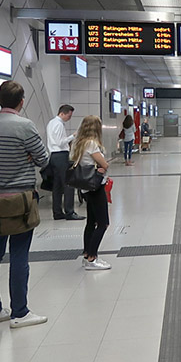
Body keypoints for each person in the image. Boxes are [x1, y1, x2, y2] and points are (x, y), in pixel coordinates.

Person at [0, 81, 49, 328]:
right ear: (21, 101)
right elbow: (43, 159)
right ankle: (19, 312)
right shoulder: (25, 126)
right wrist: (26, 155)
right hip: (21, 200)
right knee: (19, 255)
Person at [71, 115, 113, 270]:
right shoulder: (91, 143)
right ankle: (92, 258)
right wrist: (103, 166)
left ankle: (86, 254)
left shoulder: (78, 143)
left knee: (91, 222)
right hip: (96, 188)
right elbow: (104, 164)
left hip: (86, 187)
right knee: (103, 223)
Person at [46, 104, 84, 221]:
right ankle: (69, 211)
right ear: (62, 113)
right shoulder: (58, 124)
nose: (69, 118)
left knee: (57, 186)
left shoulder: (51, 123)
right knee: (68, 184)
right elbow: (60, 142)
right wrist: (73, 136)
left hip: (54, 156)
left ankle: (57, 212)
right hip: (61, 155)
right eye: (69, 115)